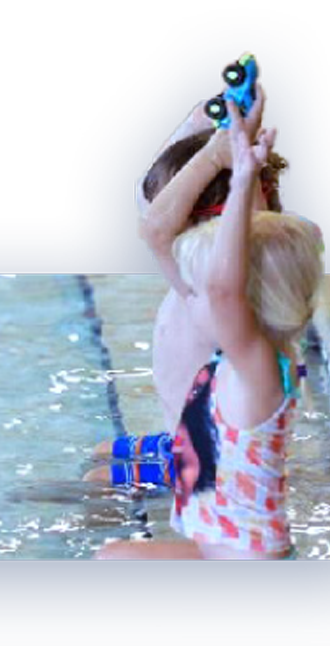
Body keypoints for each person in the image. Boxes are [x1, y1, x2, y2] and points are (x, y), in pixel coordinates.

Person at [97, 96, 323, 559]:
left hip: (239, 547)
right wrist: (211, 134)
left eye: (207, 291)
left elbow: (217, 285)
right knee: (104, 476)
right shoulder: (242, 339)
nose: (192, 291)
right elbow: (154, 216)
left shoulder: (253, 357)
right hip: (205, 488)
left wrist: (238, 172)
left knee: (93, 496)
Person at [88, 67, 288, 489]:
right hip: (192, 439)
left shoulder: (222, 285)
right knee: (102, 452)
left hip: (212, 468)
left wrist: (224, 154)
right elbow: (150, 192)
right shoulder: (202, 273)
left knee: (96, 481)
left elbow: (160, 222)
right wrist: (202, 122)